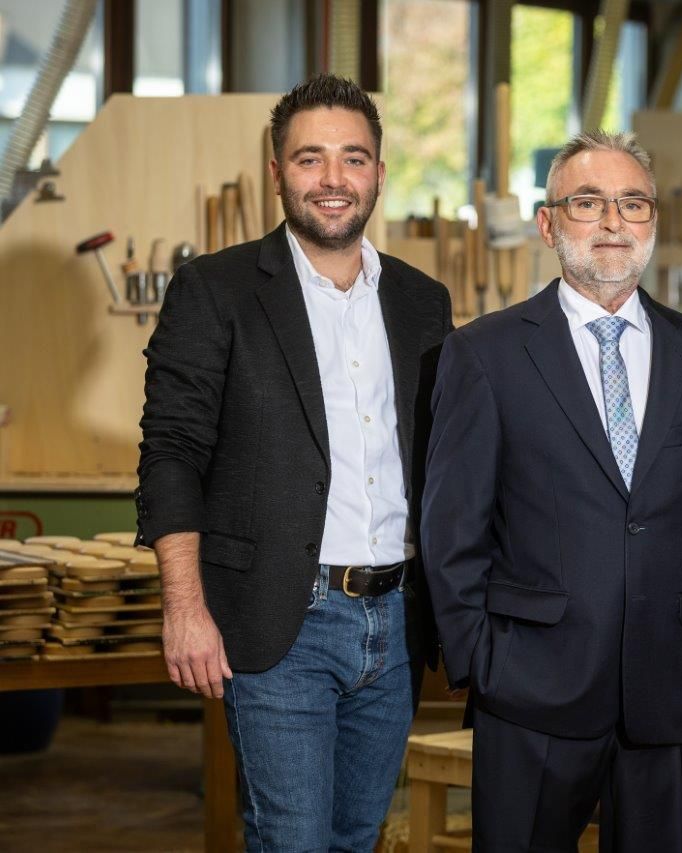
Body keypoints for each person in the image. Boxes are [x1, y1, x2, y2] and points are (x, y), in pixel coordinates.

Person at [422, 130, 682, 852]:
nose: (613, 222)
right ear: (549, 224)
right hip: (530, 693)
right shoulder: (484, 355)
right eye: (588, 202)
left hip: (671, 693)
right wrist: (482, 663)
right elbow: (451, 529)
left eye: (633, 203)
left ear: (652, 222)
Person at [136, 74, 452, 851]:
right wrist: (185, 606)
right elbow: (171, 452)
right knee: (292, 840)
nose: (334, 180)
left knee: (357, 837)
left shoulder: (423, 302)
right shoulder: (216, 290)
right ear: (277, 172)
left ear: (379, 170)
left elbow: (448, 457)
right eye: (311, 159)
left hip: (398, 620)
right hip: (283, 618)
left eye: (353, 158)